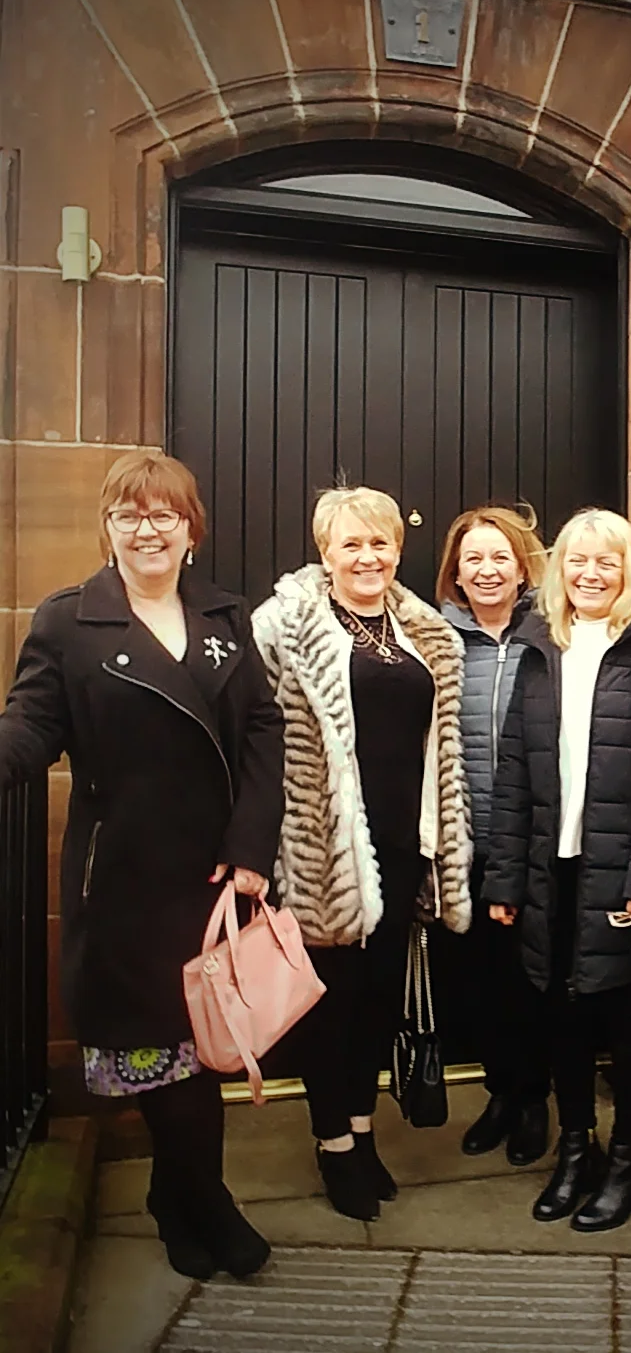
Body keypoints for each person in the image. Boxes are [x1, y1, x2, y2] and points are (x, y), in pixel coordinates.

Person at [0, 453, 284, 1280]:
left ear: (191, 528)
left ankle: (185, 1196)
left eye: (164, 514)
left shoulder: (227, 615)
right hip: (122, 879)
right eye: (130, 514)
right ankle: (202, 1200)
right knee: (164, 1052)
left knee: (203, 1046)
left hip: (212, 876)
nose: (147, 528)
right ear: (109, 527)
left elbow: (263, 735)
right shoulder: (67, 620)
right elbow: (29, 728)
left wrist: (250, 848)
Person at [484, 508, 631, 1232]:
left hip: (625, 870)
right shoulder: (539, 648)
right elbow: (513, 772)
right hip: (553, 868)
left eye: (605, 561)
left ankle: (628, 1156)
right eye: (577, 560)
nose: (589, 573)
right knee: (562, 1018)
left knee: (627, 1021)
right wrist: (504, 880)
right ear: (558, 570)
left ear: (627, 569)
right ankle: (574, 1149)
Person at [252, 486, 471, 1223]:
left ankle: (363, 1127)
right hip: (322, 849)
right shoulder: (284, 627)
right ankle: (331, 1142)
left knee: (379, 997)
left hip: (403, 842)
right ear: (325, 550)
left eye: (379, 542)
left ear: (397, 549)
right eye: (351, 543)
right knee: (331, 1003)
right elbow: (258, 738)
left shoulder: (423, 631)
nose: (367, 556)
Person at [436, 504, 552, 1165]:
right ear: (456, 569)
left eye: (498, 556)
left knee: (530, 981)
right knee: (476, 983)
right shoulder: (436, 639)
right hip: (463, 843)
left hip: (534, 844)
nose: (485, 569)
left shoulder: (550, 636)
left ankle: (533, 1098)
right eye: (472, 558)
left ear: (520, 565)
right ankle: (499, 1092)